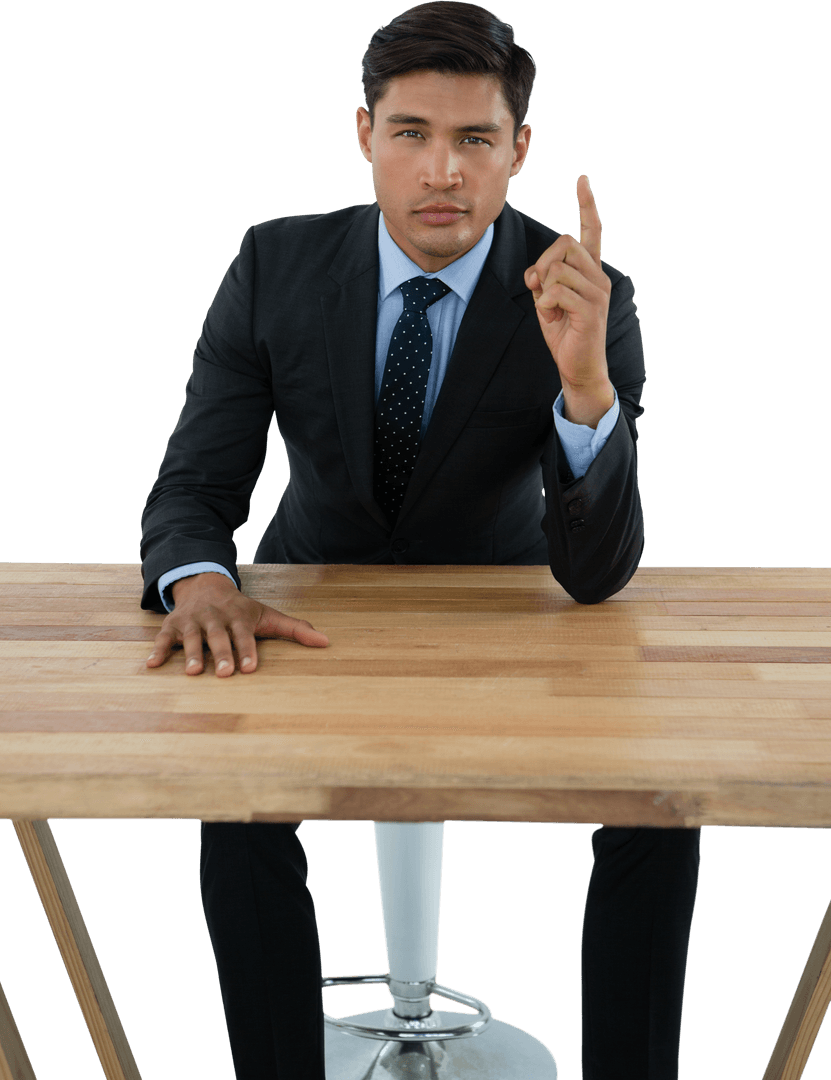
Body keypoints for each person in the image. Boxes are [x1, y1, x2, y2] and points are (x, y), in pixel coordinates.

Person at [139, 3, 700, 1077]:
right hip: (319, 615)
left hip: (511, 625)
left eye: (476, 140)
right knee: (235, 801)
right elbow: (195, 481)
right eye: (412, 134)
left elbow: (599, 574)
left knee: (662, 806)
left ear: (518, 150)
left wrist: (584, 383)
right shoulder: (275, 266)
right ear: (365, 136)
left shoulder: (584, 294)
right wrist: (201, 580)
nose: (442, 170)